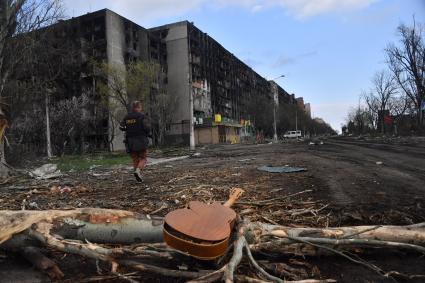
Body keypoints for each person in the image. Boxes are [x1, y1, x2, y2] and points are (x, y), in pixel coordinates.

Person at [120, 101, 151, 182]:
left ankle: (138, 177)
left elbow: (121, 127)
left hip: (130, 141)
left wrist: (129, 129)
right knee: (143, 158)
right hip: (141, 140)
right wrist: (148, 133)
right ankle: (138, 171)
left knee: (135, 159)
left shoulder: (127, 117)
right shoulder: (142, 116)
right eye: (141, 107)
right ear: (139, 107)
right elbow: (147, 128)